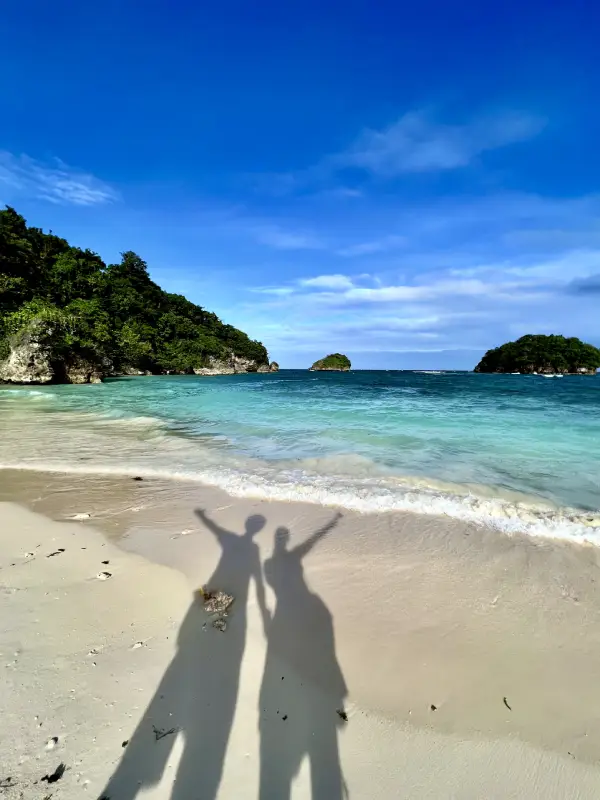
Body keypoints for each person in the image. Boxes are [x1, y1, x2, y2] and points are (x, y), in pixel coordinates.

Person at [99, 510, 269, 800]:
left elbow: (216, 530)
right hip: (229, 589)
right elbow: (256, 577)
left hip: (224, 583)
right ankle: (213, 604)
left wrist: (202, 516)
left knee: (223, 601)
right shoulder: (250, 548)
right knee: (226, 605)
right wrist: (264, 608)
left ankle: (211, 601)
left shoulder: (238, 542)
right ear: (255, 527)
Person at [258, 512, 347, 800]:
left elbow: (311, 543)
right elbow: (309, 544)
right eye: (283, 538)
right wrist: (330, 524)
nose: (284, 541)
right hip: (296, 607)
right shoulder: (282, 560)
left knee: (297, 648)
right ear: (282, 541)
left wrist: (330, 525)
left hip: (287, 609)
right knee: (305, 646)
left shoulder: (271, 564)